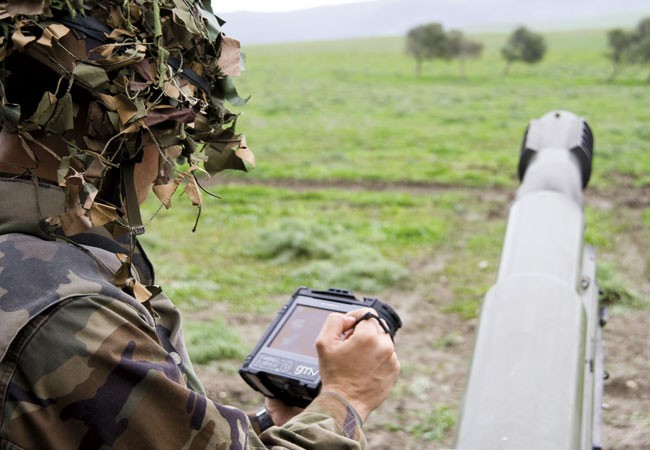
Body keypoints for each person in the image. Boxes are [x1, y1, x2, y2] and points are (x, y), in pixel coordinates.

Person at [0, 1, 400, 449]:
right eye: (178, 137)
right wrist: (348, 397)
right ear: (137, 127)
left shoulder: (35, 257)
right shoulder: (64, 309)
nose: (172, 164)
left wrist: (270, 423)